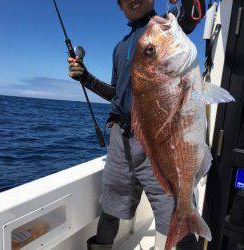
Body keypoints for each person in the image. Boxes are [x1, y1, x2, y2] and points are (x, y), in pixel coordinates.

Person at [68, 0, 206, 249]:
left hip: (160, 140)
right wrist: (86, 78)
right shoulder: (119, 47)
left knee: (179, 211)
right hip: (120, 141)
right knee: (110, 208)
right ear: (119, 6)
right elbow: (117, 93)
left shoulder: (165, 27)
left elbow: (194, 11)